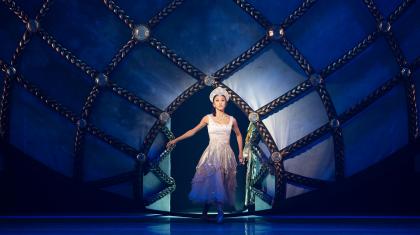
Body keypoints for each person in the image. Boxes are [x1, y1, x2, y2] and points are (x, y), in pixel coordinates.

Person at [166, 86, 245, 223]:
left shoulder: (232, 120)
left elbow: (238, 135)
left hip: (226, 154)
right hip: (212, 153)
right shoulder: (208, 118)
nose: (220, 102)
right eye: (217, 100)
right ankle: (220, 212)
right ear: (213, 103)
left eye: (222, 100)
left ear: (226, 103)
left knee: (220, 182)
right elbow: (193, 131)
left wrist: (240, 153)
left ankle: (205, 213)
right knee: (214, 180)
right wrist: (176, 140)